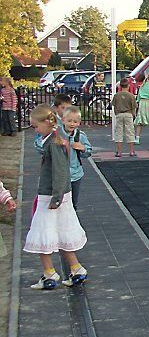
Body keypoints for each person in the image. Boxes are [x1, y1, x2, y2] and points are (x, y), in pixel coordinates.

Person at [24, 105, 88, 290]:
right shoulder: (55, 139)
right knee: (62, 232)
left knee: (42, 233)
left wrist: (56, 198)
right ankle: (76, 269)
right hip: (57, 195)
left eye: (35, 126)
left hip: (52, 195)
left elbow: (60, 172)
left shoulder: (53, 142)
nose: (35, 130)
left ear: (46, 123)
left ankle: (49, 273)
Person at [59, 106, 92, 209]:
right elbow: (42, 148)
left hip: (75, 174)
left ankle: (72, 222)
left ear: (79, 122)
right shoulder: (57, 135)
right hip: (59, 174)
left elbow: (88, 151)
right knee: (60, 201)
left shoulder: (80, 136)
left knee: (73, 203)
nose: (72, 124)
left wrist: (83, 149)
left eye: (75, 121)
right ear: (63, 120)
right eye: (69, 121)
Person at [111, 82, 137, 158]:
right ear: (128, 85)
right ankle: (131, 151)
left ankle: (119, 152)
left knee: (119, 132)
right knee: (130, 132)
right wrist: (133, 114)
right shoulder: (131, 95)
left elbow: (113, 104)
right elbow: (134, 106)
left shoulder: (116, 95)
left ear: (120, 86)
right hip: (128, 114)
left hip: (119, 114)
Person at [135, 72, 149, 144]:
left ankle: (137, 138)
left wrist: (137, 103)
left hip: (142, 103)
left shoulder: (142, 85)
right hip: (148, 103)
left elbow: (138, 96)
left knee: (140, 121)